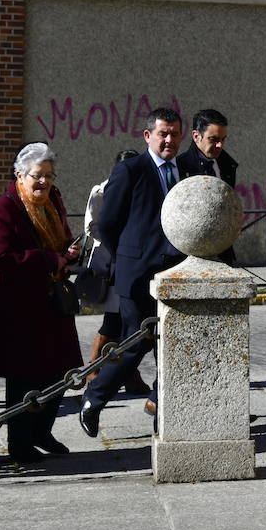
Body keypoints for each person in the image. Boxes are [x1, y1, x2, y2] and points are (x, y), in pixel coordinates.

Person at [79, 108, 187, 437]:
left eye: (173, 134)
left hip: (174, 273)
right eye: (162, 134)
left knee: (174, 346)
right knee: (136, 341)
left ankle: (163, 417)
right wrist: (128, 254)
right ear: (148, 136)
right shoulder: (130, 169)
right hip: (137, 274)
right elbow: (107, 222)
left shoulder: (184, 170)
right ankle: (94, 399)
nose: (168, 140)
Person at [0, 143, 83, 463]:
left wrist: (69, 252)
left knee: (60, 370)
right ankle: (19, 445)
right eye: (37, 176)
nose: (44, 183)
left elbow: (60, 240)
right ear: (19, 175)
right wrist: (49, 259)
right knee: (23, 377)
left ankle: (42, 431)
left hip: (52, 305)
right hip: (19, 309)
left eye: (49, 176)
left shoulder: (53, 201)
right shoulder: (5, 208)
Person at [81, 149, 148, 394]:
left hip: (133, 261)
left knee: (128, 321)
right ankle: (94, 368)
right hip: (111, 261)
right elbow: (93, 226)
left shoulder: (140, 188)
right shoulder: (101, 191)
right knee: (113, 319)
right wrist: (120, 242)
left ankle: (126, 372)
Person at [176, 108, 237, 264]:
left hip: (223, 251)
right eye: (213, 139)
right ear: (196, 136)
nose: (219, 145)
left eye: (223, 139)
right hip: (190, 254)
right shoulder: (180, 166)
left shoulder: (227, 165)